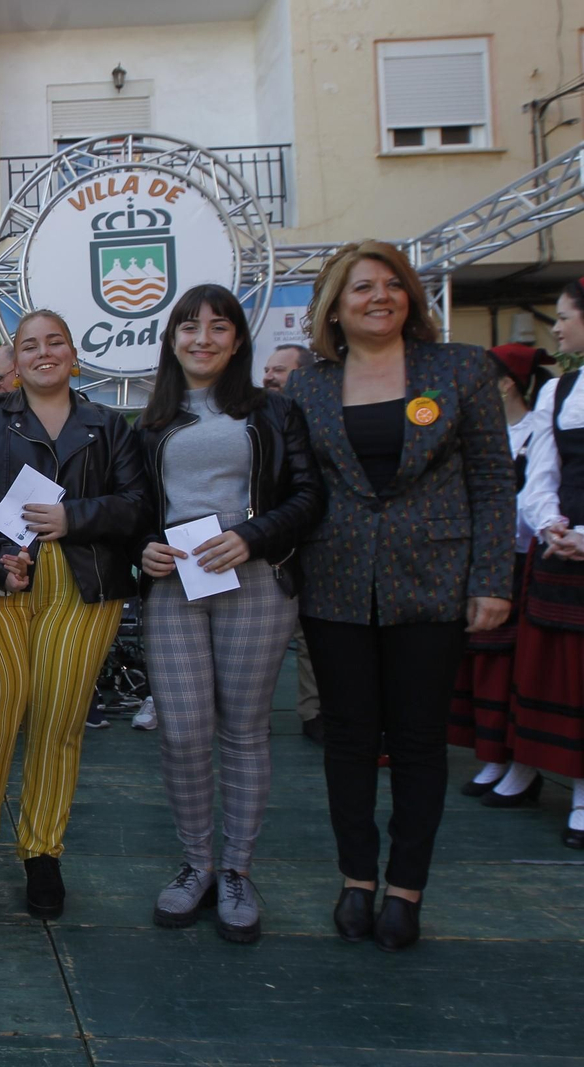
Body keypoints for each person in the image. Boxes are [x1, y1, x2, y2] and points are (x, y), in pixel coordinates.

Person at [285, 240, 511, 951]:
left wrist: (492, 579)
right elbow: (298, 487)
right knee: (347, 741)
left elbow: (493, 481)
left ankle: (406, 889)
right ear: (335, 306)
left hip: (435, 583)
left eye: (392, 285)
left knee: (418, 743)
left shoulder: (460, 370)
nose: (378, 296)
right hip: (337, 584)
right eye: (361, 287)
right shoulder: (310, 385)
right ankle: (356, 879)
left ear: (411, 297)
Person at [0, 310, 149, 920]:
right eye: (29, 344)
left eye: (54, 341)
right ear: (17, 359)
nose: (42, 352)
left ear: (73, 354)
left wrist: (74, 518)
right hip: (2, 582)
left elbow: (138, 505)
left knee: (59, 725)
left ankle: (42, 856)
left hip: (83, 587)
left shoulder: (108, 424)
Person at [136, 285, 325, 944]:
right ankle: (196, 862)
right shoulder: (151, 421)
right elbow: (136, 509)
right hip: (175, 585)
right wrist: (143, 550)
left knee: (243, 729)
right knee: (183, 730)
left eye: (219, 327)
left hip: (254, 578)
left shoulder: (274, 411)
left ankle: (237, 870)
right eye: (190, 327)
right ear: (172, 339)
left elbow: (307, 495)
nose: (204, 339)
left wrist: (254, 534)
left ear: (239, 339)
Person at [448, 344, 550, 798]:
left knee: (520, 669)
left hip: (527, 559)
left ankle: (524, 765)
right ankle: (494, 756)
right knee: (483, 665)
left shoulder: (536, 430)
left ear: (506, 383)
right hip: (483, 558)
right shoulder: (475, 434)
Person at [510, 279, 584, 849]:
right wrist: (552, 524)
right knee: (556, 673)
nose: (556, 328)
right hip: (563, 552)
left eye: (563, 317)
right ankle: (539, 770)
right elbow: (541, 476)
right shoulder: (558, 392)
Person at [263, 343, 325, 741]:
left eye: (279, 370)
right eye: (267, 369)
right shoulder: (256, 418)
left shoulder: (318, 421)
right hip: (265, 544)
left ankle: (314, 713)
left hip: (315, 542)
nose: (268, 376)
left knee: (310, 636)